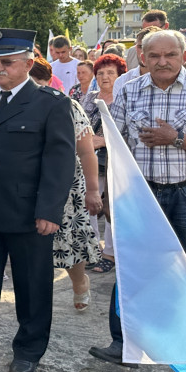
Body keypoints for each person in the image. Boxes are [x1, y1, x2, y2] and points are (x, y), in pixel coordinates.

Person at [89, 30, 186, 367]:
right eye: (154, 56)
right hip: (141, 194)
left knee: (185, 270)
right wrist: (84, 140)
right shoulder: (131, 91)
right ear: (143, 57)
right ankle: (124, 344)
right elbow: (112, 139)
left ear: (184, 57)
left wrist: (178, 138)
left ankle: (179, 346)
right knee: (132, 268)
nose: (162, 61)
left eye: (170, 55)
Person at [0, 29, 75, 372]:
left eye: (7, 62)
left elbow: (59, 161)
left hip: (29, 213)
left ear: (28, 63)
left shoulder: (51, 103)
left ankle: (28, 349)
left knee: (32, 285)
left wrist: (49, 210)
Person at [28, 60, 103, 311]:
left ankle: (79, 281)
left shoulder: (66, 106)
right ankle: (36, 299)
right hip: (27, 186)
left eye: (37, 82)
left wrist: (93, 190)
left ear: (48, 81)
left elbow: (86, 151)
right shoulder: (15, 105)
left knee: (69, 242)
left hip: (66, 186)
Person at [83, 53, 129, 275]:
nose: (105, 77)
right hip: (88, 159)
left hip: (113, 162)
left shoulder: (124, 98)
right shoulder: (89, 97)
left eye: (111, 72)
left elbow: (126, 131)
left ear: (120, 75)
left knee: (111, 209)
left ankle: (110, 254)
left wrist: (101, 141)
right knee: (88, 206)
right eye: (100, 73)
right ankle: (92, 249)